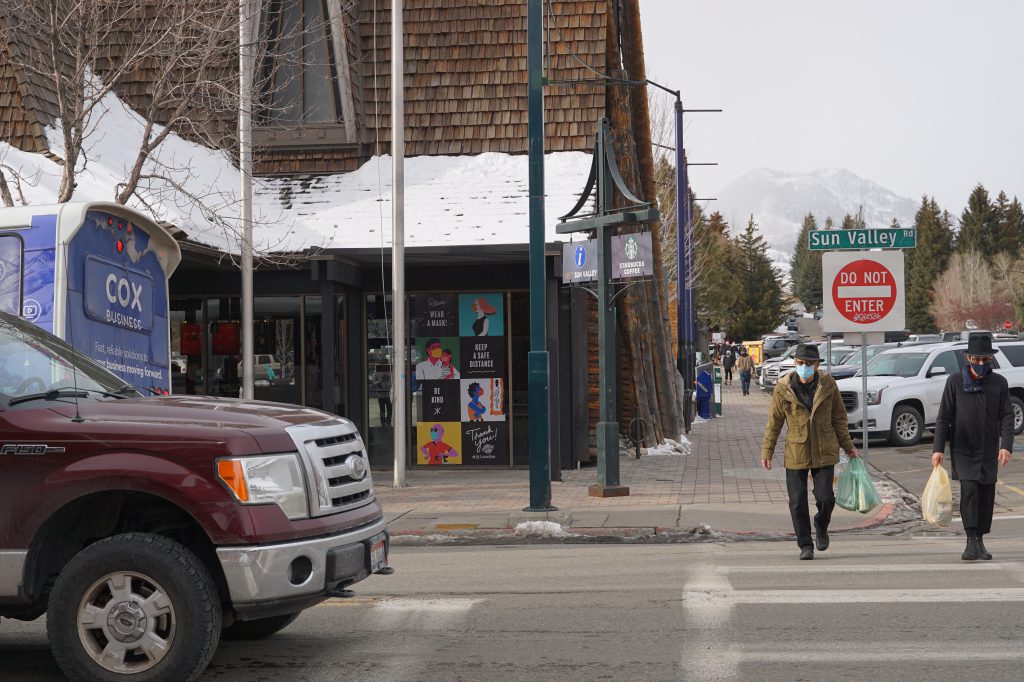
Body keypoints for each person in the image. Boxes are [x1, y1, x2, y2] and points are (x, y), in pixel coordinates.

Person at [761, 343, 859, 560]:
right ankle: (805, 545)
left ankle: (821, 525)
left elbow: (839, 418)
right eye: (800, 363)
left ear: (817, 365)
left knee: (826, 498)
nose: (804, 367)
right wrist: (767, 451)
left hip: (825, 449)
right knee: (797, 502)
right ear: (795, 363)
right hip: (796, 450)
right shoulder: (783, 388)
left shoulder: (828, 384)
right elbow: (774, 423)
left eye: (809, 364)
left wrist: (848, 446)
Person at [932, 335, 1013, 561]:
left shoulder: (999, 383)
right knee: (969, 493)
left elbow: (1006, 415)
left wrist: (1006, 445)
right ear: (968, 358)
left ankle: (980, 540)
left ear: (990, 359)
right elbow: (943, 417)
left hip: (988, 449)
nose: (980, 364)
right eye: (976, 359)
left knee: (986, 494)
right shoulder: (955, 381)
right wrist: (937, 448)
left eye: (985, 359)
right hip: (963, 449)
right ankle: (970, 540)